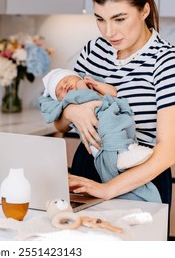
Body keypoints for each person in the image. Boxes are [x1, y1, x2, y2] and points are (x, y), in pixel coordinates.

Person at [53, 0, 175, 206]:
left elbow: (168, 152)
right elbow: (59, 125)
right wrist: (72, 111)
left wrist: (108, 189)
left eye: (119, 19)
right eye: (100, 19)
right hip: (86, 169)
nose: (109, 31)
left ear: (144, 10)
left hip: (140, 179)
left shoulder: (167, 62)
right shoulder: (93, 51)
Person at [39, 68, 160, 202]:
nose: (64, 85)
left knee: (112, 122)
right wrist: (70, 111)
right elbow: (60, 126)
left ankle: (124, 150)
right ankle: (120, 154)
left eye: (66, 80)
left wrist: (93, 85)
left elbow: (112, 92)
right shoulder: (90, 50)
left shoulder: (88, 84)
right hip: (90, 151)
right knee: (87, 220)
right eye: (59, 89)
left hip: (144, 168)